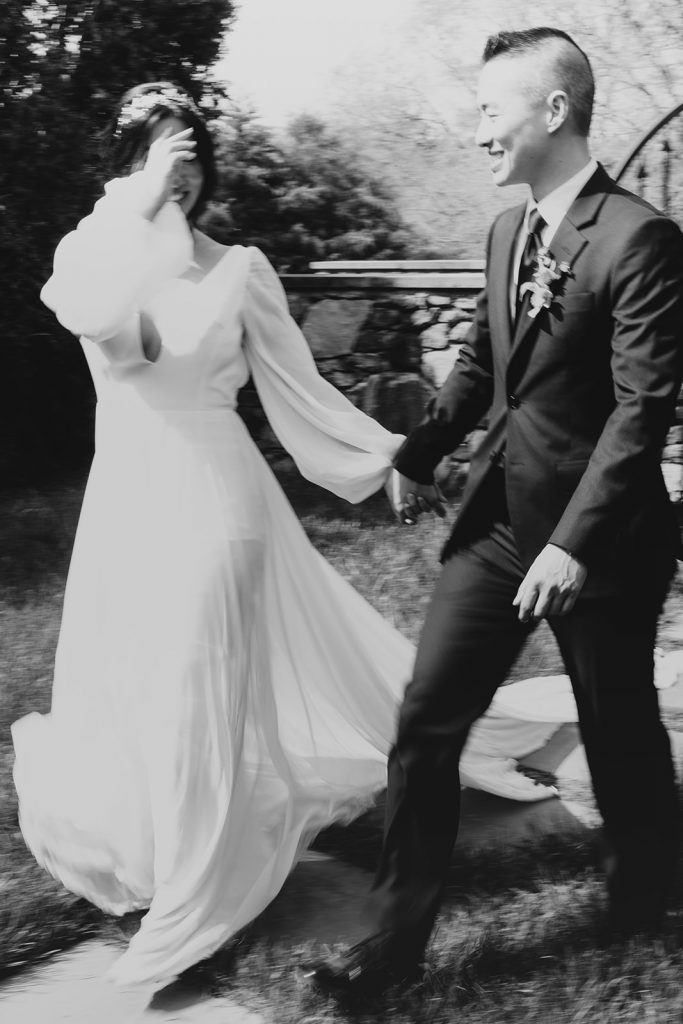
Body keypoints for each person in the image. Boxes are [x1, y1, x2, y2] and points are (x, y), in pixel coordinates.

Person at [11, 81, 566, 993]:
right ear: (127, 163)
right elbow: (104, 324)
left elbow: (303, 398)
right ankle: (164, 855)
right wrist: (145, 199)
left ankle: (198, 895)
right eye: (159, 149)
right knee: (139, 686)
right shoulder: (91, 252)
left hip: (214, 502)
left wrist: (399, 457)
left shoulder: (238, 270)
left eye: (191, 152)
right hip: (124, 506)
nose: (180, 167)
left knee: (199, 689)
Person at [309, 27, 683, 996]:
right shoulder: (503, 232)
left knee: (618, 724)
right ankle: (388, 954)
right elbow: (482, 360)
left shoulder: (638, 238)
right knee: (426, 721)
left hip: (599, 540)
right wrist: (419, 449)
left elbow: (640, 410)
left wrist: (571, 544)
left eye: (489, 110)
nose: (476, 130)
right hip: (494, 525)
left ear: (551, 111)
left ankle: (646, 895)